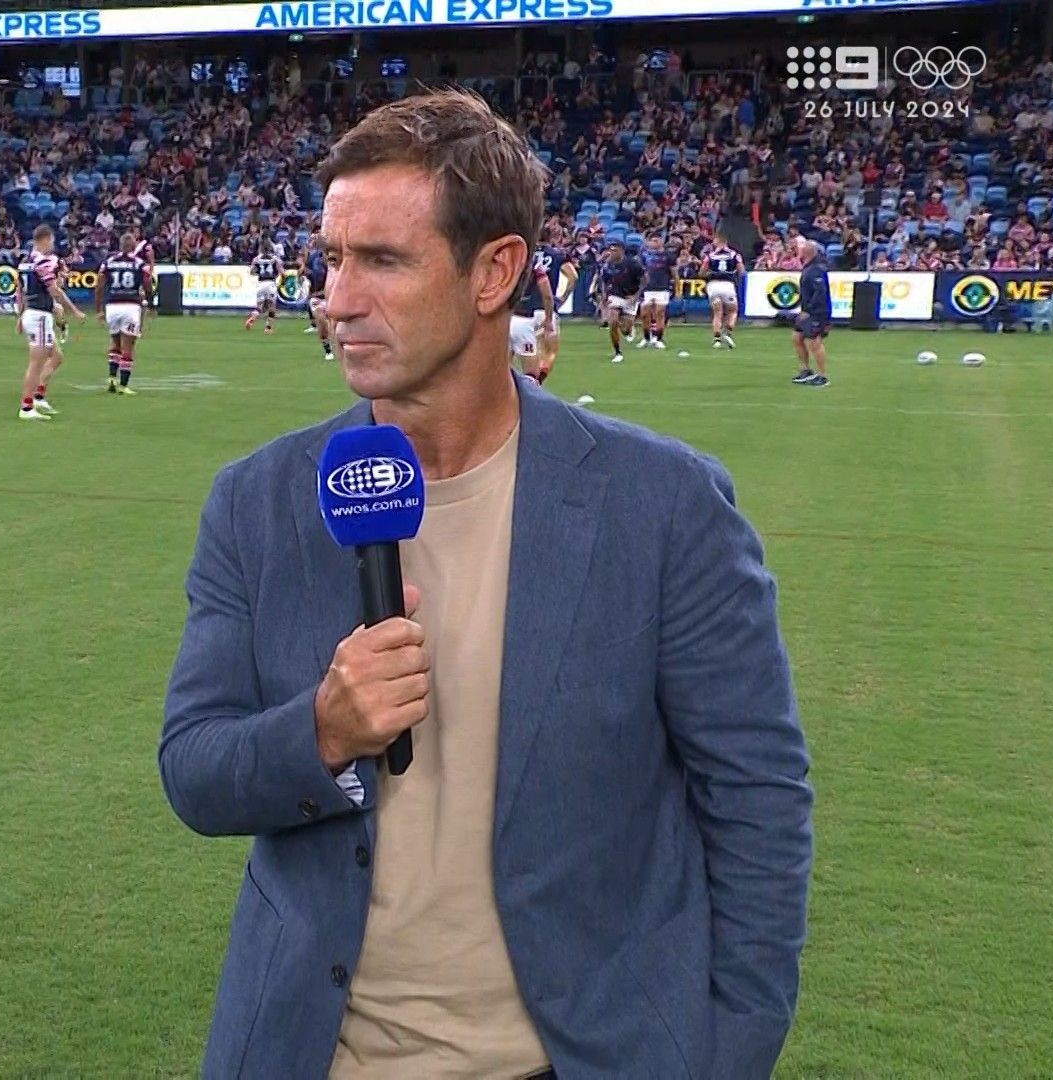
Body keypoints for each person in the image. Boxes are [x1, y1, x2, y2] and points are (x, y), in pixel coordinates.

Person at [160, 89, 813, 1080]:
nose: (337, 299)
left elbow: (757, 797)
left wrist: (732, 1049)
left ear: (494, 272)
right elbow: (194, 767)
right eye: (331, 259)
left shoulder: (664, 506)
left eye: (382, 261)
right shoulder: (256, 501)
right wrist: (322, 732)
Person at [12, 224, 84, 421]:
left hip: (31, 313)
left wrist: (19, 316)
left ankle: (38, 396)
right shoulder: (43, 261)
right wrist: (74, 311)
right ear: (44, 240)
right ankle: (27, 407)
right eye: (51, 241)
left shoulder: (25, 262)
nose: (52, 245)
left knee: (56, 356)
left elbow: (19, 291)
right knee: (36, 363)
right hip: (39, 315)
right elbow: (54, 290)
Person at [95, 231, 148, 395]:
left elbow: (99, 285)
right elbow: (147, 283)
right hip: (130, 306)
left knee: (114, 342)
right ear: (133, 246)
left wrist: (99, 309)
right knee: (128, 347)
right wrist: (149, 300)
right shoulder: (139, 263)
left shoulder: (109, 262)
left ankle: (112, 377)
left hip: (112, 306)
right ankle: (123, 385)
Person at [509, 251, 560, 385]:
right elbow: (547, 296)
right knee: (531, 375)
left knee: (501, 371)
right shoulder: (534, 265)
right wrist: (548, 320)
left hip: (503, 320)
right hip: (522, 322)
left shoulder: (505, 262)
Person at [791, 236, 832, 387]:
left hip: (817, 312)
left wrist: (808, 310)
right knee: (797, 337)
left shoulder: (816, 269)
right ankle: (805, 370)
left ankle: (822, 376)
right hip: (808, 311)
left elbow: (819, 292)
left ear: (807, 252)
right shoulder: (809, 267)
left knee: (815, 342)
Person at [597, 239, 642, 363]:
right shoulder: (608, 265)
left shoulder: (633, 264)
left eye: (615, 250)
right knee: (613, 321)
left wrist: (636, 296)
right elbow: (604, 281)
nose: (611, 253)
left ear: (622, 251)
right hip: (615, 295)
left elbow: (644, 280)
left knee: (625, 329)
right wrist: (604, 296)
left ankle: (629, 330)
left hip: (630, 297)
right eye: (610, 250)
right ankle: (617, 352)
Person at [705, 230, 744, 348]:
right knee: (733, 311)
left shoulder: (710, 255)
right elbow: (742, 271)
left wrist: (710, 273)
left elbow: (702, 271)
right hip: (728, 285)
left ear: (718, 241)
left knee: (717, 313)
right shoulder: (735, 255)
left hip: (713, 285)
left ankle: (717, 340)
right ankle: (728, 332)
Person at [302, 238, 334, 361]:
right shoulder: (313, 259)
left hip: (332, 297)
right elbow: (305, 271)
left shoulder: (336, 263)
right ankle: (328, 350)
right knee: (321, 322)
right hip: (317, 297)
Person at [637, 240, 672, 350]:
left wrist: (676, 288)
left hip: (662, 287)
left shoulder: (668, 256)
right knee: (644, 314)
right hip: (647, 288)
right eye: (652, 240)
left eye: (656, 240)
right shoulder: (643, 255)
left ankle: (658, 339)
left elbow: (674, 271)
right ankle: (646, 337)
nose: (654, 242)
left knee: (659, 313)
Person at [246, 244, 282, 333]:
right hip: (271, 283)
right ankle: (268, 328)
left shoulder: (256, 259)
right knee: (271, 307)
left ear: (261, 250)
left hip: (261, 283)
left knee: (259, 306)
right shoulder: (275, 259)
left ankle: (253, 317)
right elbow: (280, 271)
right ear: (270, 250)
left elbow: (251, 272)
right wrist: (276, 275)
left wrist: (258, 272)